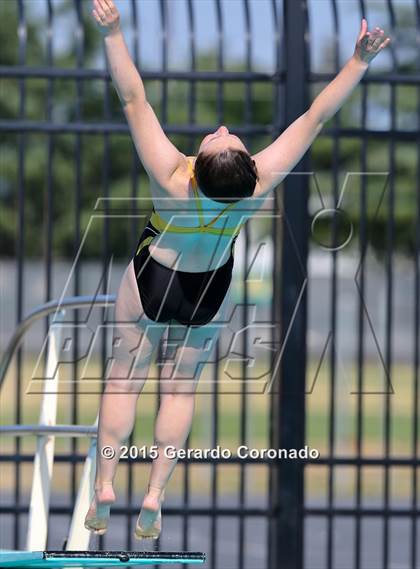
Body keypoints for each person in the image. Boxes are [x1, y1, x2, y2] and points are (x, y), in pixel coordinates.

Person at [84, 0, 391, 540]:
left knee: (123, 377)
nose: (222, 127)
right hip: (211, 287)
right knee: (180, 391)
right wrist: (359, 62)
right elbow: (314, 116)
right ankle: (154, 495)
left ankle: (106, 483)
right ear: (249, 167)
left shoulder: (174, 177)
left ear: (200, 165)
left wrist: (112, 33)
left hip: (156, 275)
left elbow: (132, 97)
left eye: (217, 137)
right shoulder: (259, 184)